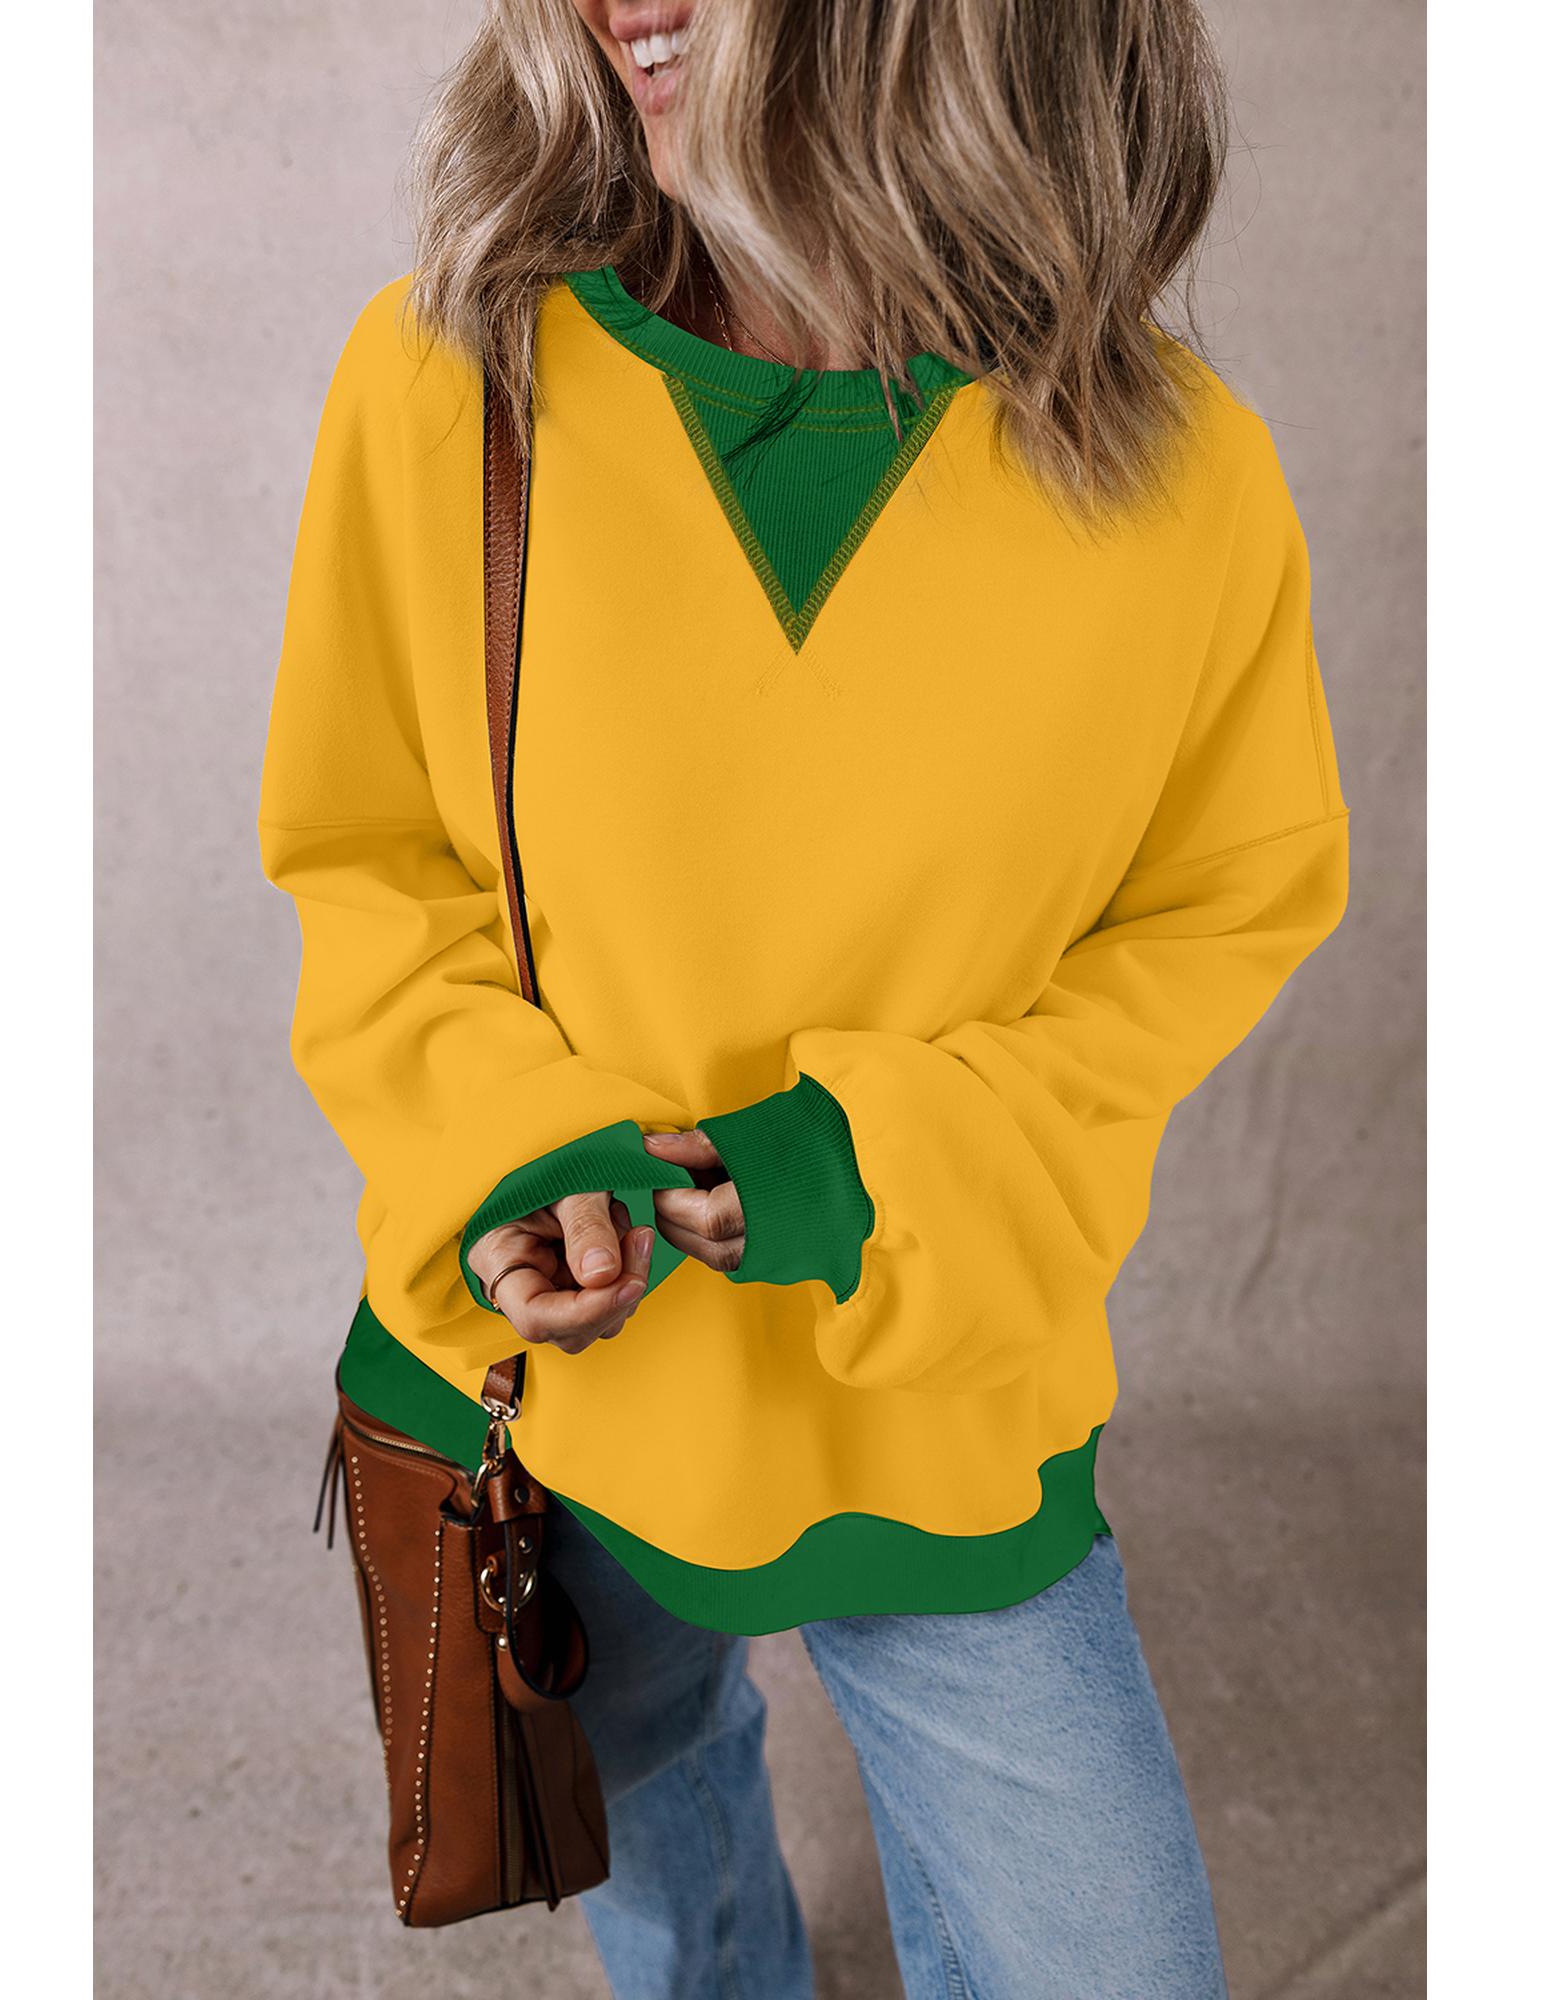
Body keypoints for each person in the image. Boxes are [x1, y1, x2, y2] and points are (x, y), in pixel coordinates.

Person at [259, 2, 1349, 1993]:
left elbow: (1214, 915)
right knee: (648, 1791)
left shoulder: (1182, 478)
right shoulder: (453, 386)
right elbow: (372, 862)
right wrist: (520, 1153)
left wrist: (878, 1165)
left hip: (937, 1391)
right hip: (557, 1378)